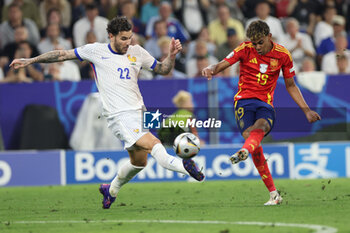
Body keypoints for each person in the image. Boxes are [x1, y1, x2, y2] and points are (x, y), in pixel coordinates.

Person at [10, 16, 204, 209]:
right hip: (119, 116)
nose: (128, 43)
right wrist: (30, 60)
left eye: (130, 37)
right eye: (123, 38)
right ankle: (186, 166)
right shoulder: (95, 50)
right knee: (155, 145)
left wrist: (171, 56)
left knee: (139, 162)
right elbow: (61, 55)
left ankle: (110, 190)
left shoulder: (137, 51)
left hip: (140, 111)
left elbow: (162, 69)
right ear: (111, 36)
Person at [201, 20, 321, 205]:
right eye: (254, 43)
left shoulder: (282, 55)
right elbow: (224, 63)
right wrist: (211, 69)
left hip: (265, 104)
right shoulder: (244, 48)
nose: (256, 47)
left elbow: (291, 85)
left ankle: (245, 151)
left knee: (261, 127)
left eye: (260, 43)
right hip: (243, 102)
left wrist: (306, 111)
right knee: (253, 138)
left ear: (269, 37)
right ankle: (273, 194)